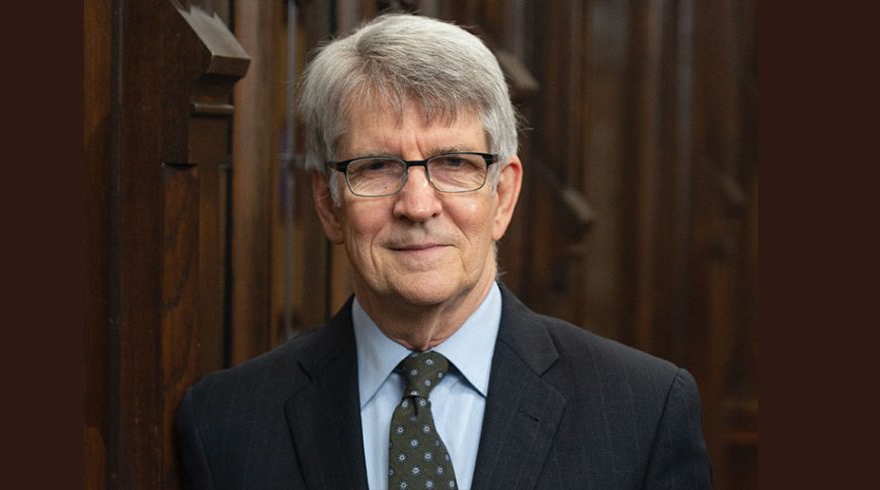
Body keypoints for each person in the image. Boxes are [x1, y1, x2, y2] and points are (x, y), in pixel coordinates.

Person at [177, 13, 712, 490]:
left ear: (502, 195)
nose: (417, 204)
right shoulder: (227, 423)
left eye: (454, 163)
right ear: (327, 202)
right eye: (377, 166)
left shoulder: (644, 411)